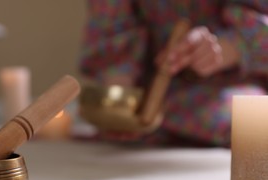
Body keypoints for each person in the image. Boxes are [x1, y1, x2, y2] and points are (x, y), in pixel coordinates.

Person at [79, 0, 268, 147]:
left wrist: (224, 48)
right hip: (148, 90)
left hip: (230, 87)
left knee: (249, 122)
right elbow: (112, 30)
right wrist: (120, 106)